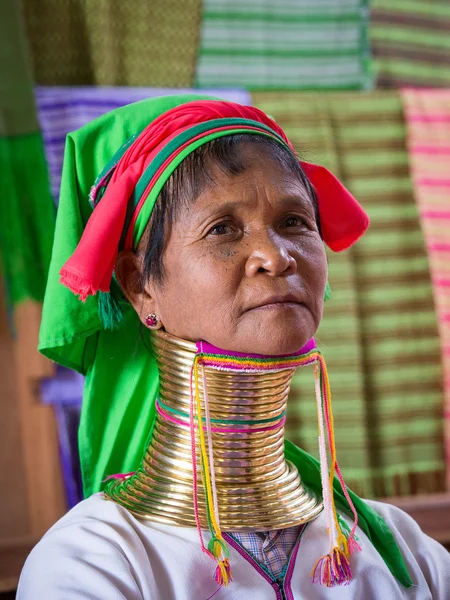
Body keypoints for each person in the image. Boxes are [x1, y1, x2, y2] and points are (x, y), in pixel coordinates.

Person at [18, 96, 450, 599]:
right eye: (222, 228)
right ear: (140, 287)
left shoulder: (402, 548)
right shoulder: (94, 563)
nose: (276, 256)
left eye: (294, 221)